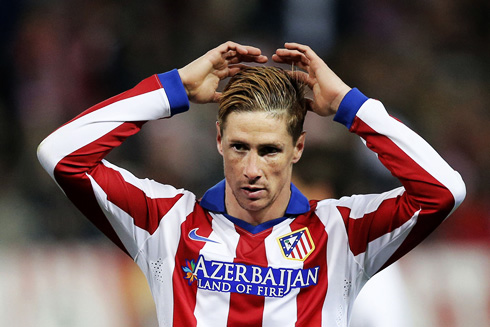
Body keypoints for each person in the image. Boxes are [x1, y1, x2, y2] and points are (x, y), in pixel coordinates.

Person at [37, 41, 466, 327]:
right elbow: (60, 154)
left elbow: (444, 190)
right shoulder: (164, 222)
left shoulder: (343, 234)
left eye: (270, 150)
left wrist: (345, 103)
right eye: (240, 146)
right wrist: (175, 88)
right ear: (218, 140)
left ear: (298, 148)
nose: (252, 168)